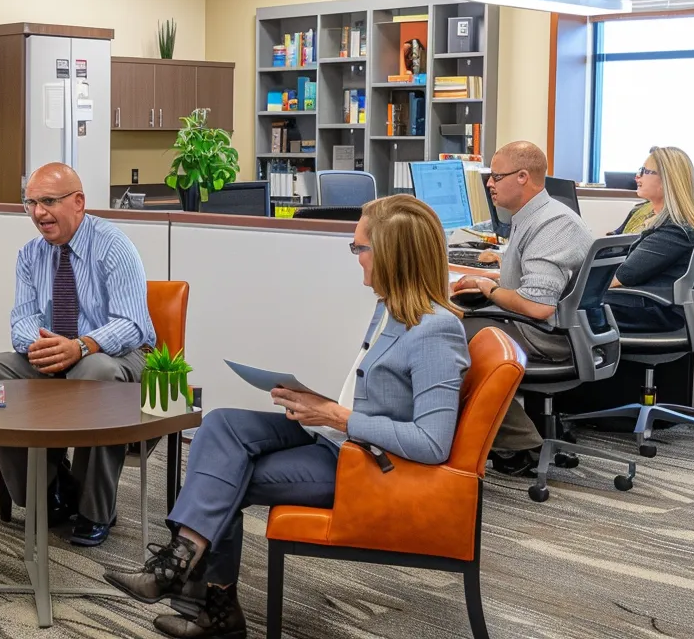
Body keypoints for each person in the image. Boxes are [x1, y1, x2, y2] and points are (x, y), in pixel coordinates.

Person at [103, 195, 470, 638]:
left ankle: (198, 591)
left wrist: (336, 416)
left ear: (393, 254)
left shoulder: (436, 330)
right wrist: (317, 403)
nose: (357, 259)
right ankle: (188, 577)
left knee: (222, 475)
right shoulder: (389, 308)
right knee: (219, 424)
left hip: (364, 465)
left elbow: (431, 443)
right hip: (337, 439)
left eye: (361, 249)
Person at [0, 162, 155, 548]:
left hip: (118, 355)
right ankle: (48, 491)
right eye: (30, 203)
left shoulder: (113, 245)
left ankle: (93, 507)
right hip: (55, 353)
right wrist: (39, 345)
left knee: (95, 371)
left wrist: (81, 346)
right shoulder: (30, 254)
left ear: (79, 202)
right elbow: (21, 319)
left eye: (48, 201)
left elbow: (133, 324)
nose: (38, 213)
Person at [449, 141, 593, 476]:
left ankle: (521, 443)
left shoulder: (551, 225)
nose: (489, 185)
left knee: (447, 336)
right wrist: (492, 280)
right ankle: (513, 439)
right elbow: (534, 283)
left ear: (523, 177)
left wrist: (492, 289)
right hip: (556, 328)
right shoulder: (536, 216)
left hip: (550, 336)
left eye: (496, 177)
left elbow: (537, 305)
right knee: (448, 322)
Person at [608, 146, 694, 333]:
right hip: (643, 301)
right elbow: (615, 245)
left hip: (656, 310)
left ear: (665, 181)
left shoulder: (675, 228)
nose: (637, 177)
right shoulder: (650, 216)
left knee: (570, 306)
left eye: (644, 171)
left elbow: (624, 274)